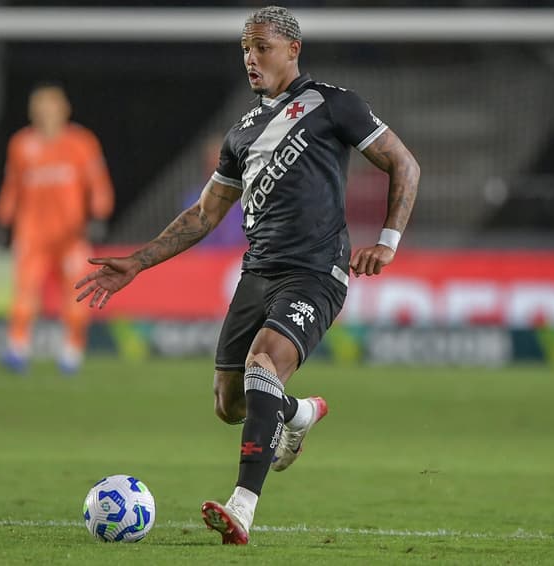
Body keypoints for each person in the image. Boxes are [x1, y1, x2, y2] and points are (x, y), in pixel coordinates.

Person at [75, 6, 420, 544]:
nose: (250, 59)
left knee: (263, 363)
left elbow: (404, 163)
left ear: (292, 50)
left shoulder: (333, 105)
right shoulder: (242, 132)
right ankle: (299, 413)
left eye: (261, 47)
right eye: (244, 49)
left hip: (316, 271)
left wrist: (388, 242)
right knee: (229, 405)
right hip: (257, 274)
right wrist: (138, 261)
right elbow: (204, 215)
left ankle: (242, 508)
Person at [0, 82, 114, 375]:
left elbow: (97, 182)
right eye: (40, 108)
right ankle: (17, 349)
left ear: (64, 110)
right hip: (31, 234)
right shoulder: (21, 144)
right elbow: (12, 187)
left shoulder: (81, 143)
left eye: (51, 107)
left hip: (71, 236)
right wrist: (2, 221)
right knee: (25, 292)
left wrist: (99, 214)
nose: (46, 114)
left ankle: (71, 353)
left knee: (75, 294)